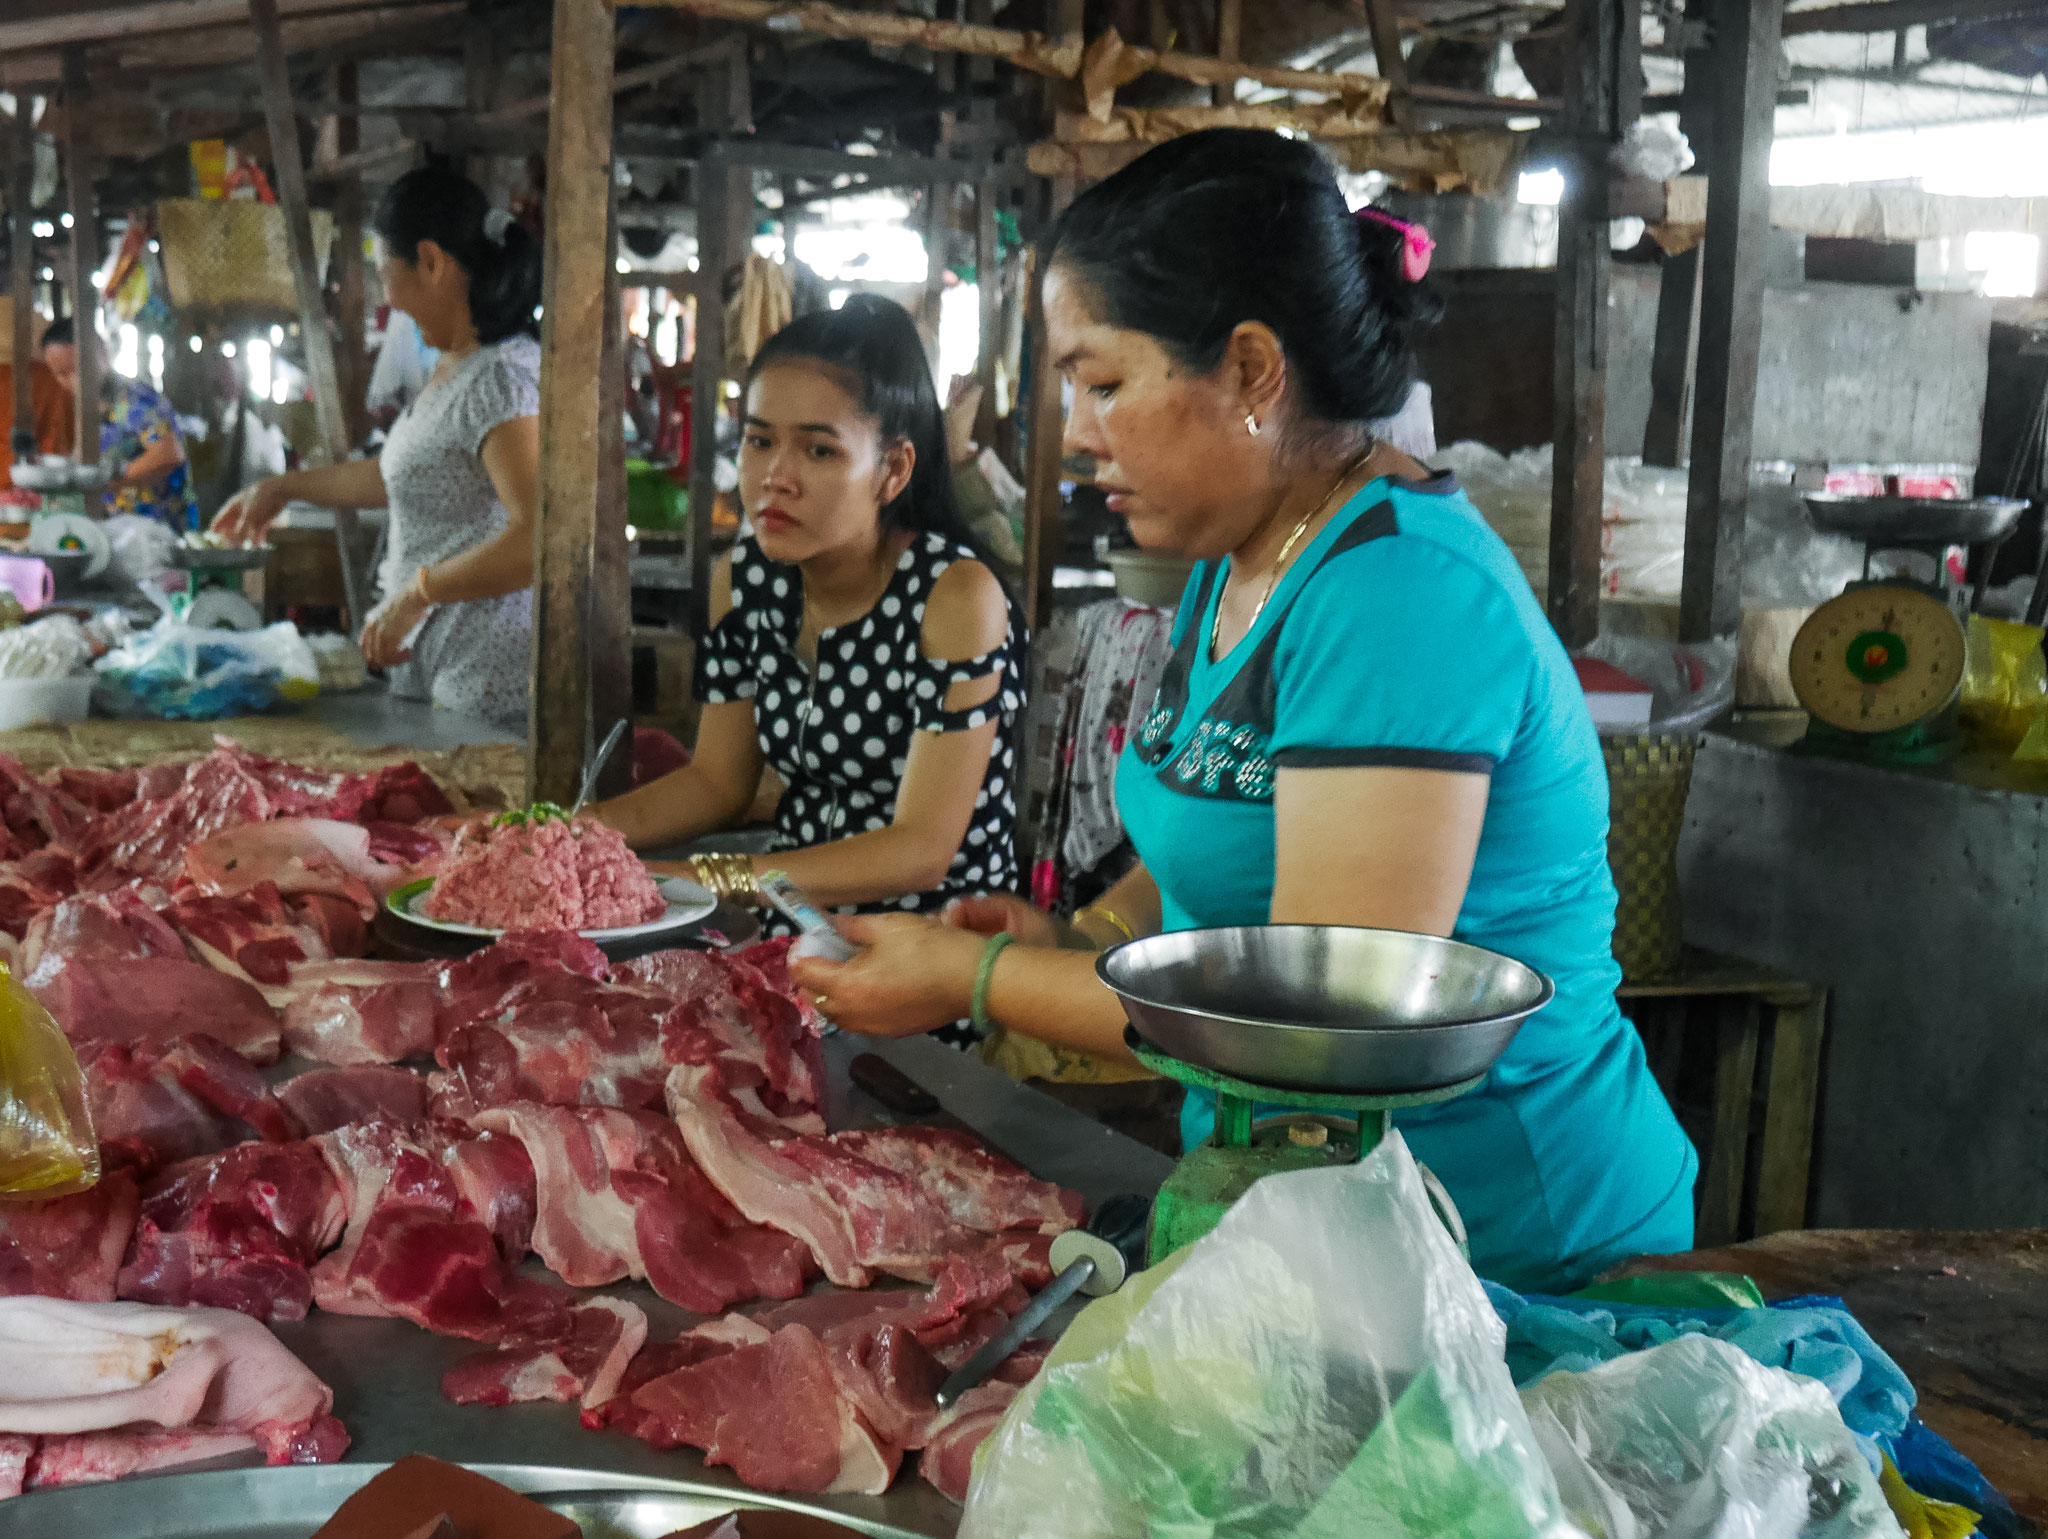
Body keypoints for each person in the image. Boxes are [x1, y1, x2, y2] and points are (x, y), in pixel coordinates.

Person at [788, 130, 1697, 1294]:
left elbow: (1307, 1025)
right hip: (1317, 1218)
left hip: (1502, 1247)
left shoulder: (1396, 595)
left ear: (1254, 371)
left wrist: (971, 986)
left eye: (1102, 380)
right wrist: (1080, 940)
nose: (1074, 433)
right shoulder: (1242, 558)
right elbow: (1206, 822)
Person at [593, 295, 1023, 924]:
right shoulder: (743, 582)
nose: (776, 476)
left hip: (934, 960)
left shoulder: (955, 597)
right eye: (759, 441)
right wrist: (567, 837)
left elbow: (922, 849)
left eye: (819, 451)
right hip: (792, 933)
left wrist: (686, 877)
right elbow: (717, 782)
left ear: (893, 469)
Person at [213, 164, 542, 730]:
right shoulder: (456, 367)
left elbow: (539, 536)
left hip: (487, 689)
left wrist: (419, 592)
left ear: (432, 263)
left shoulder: (500, 379)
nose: (389, 300)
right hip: (443, 679)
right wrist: (282, 487)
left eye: (386, 271)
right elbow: (402, 474)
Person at [40, 318, 200, 529]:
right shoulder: (90, 409)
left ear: (103, 353)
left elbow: (170, 454)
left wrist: (104, 481)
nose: (72, 381)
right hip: (122, 530)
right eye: (61, 374)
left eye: (77, 369)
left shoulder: (135, 399)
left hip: (161, 532)